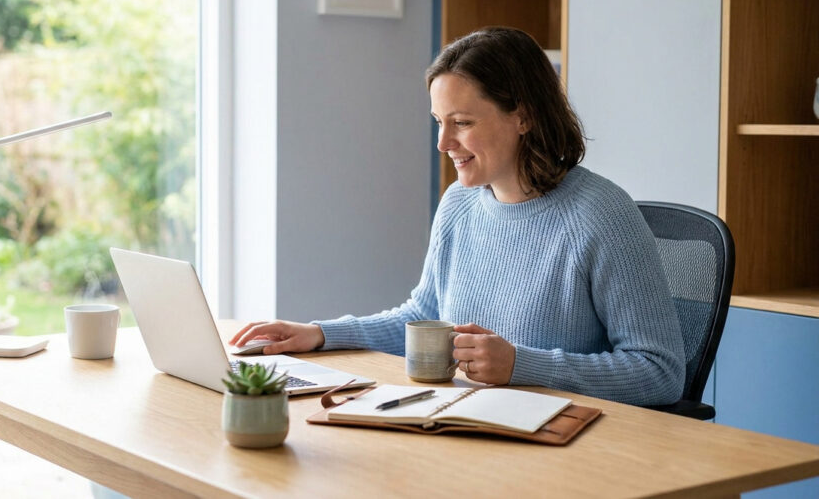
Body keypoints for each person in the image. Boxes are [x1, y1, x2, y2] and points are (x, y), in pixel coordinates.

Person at [230, 27, 685, 406]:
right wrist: (320, 334)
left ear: (523, 117)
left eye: (462, 123)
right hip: (466, 421)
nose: (443, 143)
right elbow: (426, 316)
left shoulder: (602, 216)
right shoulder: (459, 204)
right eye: (438, 122)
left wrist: (521, 366)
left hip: (562, 450)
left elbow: (660, 372)